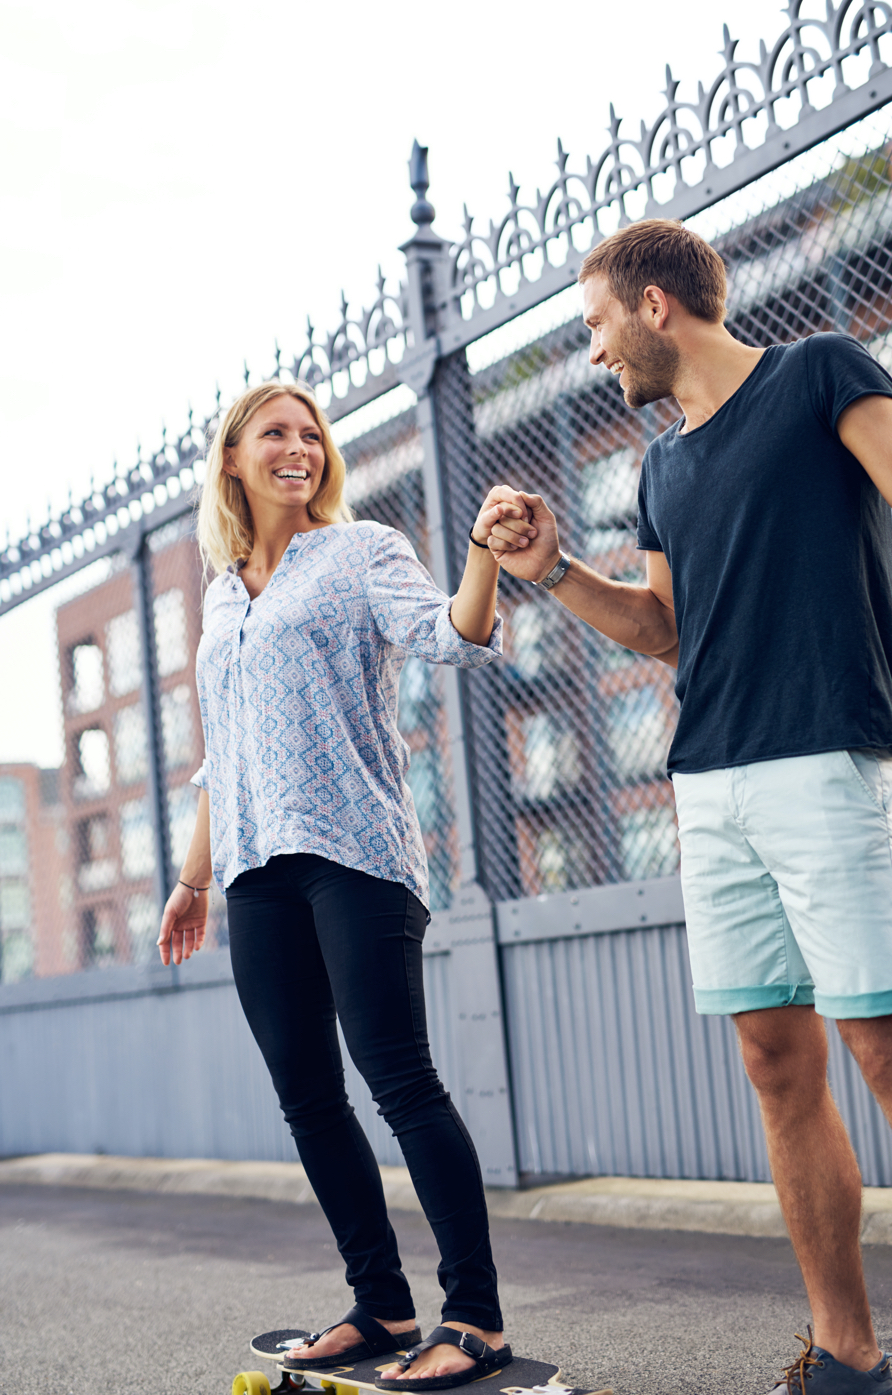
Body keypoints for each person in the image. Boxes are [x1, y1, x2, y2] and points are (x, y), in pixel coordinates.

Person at [482, 218, 892, 1395]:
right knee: (778, 1064)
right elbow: (663, 630)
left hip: (827, 760)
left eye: (595, 328)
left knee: (891, 1055)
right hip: (708, 785)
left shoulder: (821, 371)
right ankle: (847, 1355)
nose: (594, 356)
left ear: (654, 305)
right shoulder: (660, 467)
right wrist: (554, 576)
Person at [156, 379, 522, 1391]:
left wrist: (483, 555)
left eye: (310, 434)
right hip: (253, 874)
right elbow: (217, 758)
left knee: (399, 1082)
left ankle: (476, 1315)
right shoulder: (224, 591)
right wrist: (192, 881)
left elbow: (452, 636)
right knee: (308, 1099)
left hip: (357, 853)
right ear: (233, 458)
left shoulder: (362, 550)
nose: (298, 447)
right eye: (274, 432)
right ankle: (381, 1302)